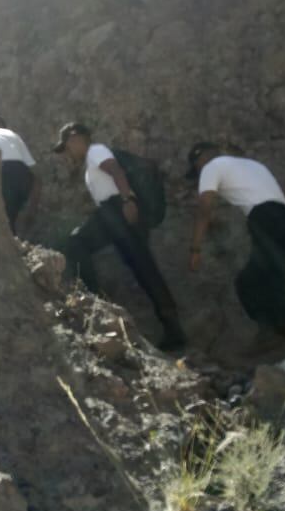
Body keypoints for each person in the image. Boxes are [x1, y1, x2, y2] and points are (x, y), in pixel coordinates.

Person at [186, 142, 285, 378]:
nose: (198, 175)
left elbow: (205, 206)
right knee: (251, 282)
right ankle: (274, 335)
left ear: (200, 160)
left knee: (270, 289)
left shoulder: (211, 166)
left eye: (196, 170)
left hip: (266, 219)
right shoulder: (253, 165)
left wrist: (195, 248)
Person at [54, 122, 186, 351]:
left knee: (77, 242)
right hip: (116, 213)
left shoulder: (96, 151)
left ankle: (93, 301)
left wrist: (128, 200)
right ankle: (172, 326)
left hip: (116, 210)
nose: (67, 153)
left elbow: (116, 170)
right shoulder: (92, 160)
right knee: (144, 268)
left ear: (76, 138)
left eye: (66, 147)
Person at [0, 115, 39, 235]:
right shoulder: (13, 135)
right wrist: (32, 208)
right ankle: (13, 239)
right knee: (10, 214)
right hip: (21, 174)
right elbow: (34, 171)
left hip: (1, 169)